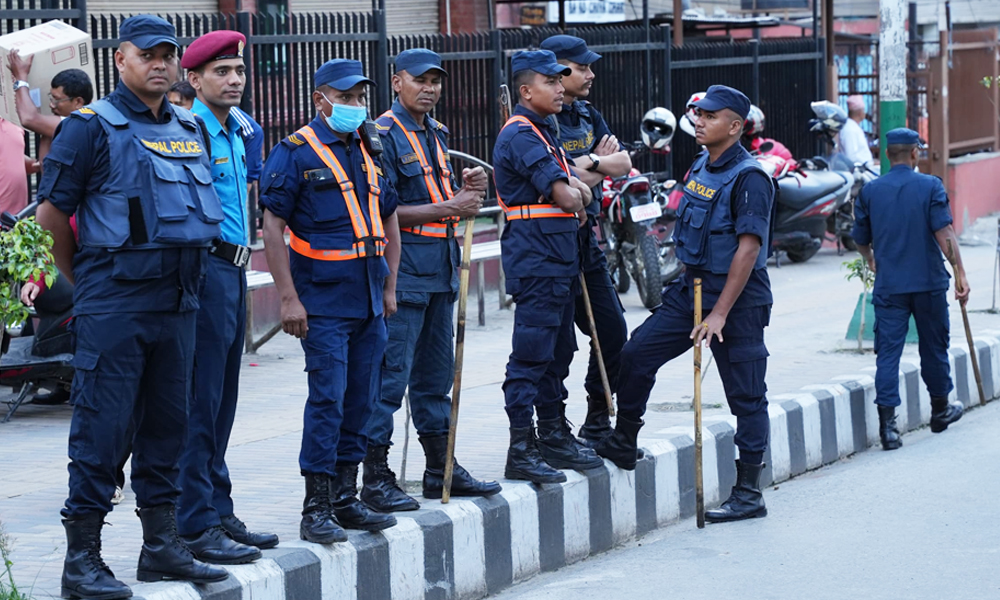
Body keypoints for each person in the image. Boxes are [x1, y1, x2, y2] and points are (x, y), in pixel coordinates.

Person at [36, 14, 230, 599]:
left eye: (168, 54)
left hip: (179, 303)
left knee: (170, 428)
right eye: (148, 54)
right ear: (118, 59)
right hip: (115, 305)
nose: (161, 62)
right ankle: (82, 561)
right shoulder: (88, 127)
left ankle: (161, 547)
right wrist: (91, 283)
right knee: (102, 429)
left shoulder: (187, 126)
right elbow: (51, 218)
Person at [596, 85, 775, 524]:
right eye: (698, 114)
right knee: (637, 353)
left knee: (746, 396)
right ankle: (624, 438)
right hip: (689, 290)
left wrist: (719, 313)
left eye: (711, 117)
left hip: (736, 299)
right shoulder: (701, 163)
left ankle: (749, 492)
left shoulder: (750, 177)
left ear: (734, 126)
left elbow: (748, 250)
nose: (699, 121)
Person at [260, 58, 400, 543]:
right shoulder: (293, 152)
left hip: (367, 300)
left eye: (360, 97)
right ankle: (315, 507)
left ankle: (346, 497)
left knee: (362, 399)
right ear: (320, 99)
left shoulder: (371, 146)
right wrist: (287, 299)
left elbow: (389, 218)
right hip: (320, 302)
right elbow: (272, 227)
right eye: (345, 98)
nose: (355, 106)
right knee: (328, 399)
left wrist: (388, 286)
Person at [362, 48, 500, 512]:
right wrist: (450, 207)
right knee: (389, 377)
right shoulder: (378, 135)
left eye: (436, 81)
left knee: (436, 377)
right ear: (396, 81)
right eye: (420, 80)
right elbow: (381, 211)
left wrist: (469, 188)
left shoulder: (436, 133)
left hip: (441, 267)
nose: (430, 88)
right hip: (403, 274)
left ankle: (440, 466)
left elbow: (449, 199)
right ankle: (375, 476)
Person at [174, 29, 278, 565]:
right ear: (193, 79)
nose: (234, 80)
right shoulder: (186, 129)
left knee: (224, 399)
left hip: (235, 272)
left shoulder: (241, 130)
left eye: (238, 71)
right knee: (201, 399)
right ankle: (193, 523)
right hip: (205, 271)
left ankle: (217, 507)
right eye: (221, 72)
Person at [493, 49, 603, 484]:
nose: (561, 88)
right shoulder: (521, 133)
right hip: (537, 260)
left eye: (562, 80)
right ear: (526, 90)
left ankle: (554, 434)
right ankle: (521, 446)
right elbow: (569, 195)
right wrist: (576, 194)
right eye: (551, 82)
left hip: (558, 259)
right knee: (532, 354)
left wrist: (578, 192)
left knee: (559, 352)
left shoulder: (545, 128)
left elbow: (580, 190)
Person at [539, 34, 633, 447]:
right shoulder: (539, 119)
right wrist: (596, 164)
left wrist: (585, 164)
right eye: (582, 67)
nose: (590, 74)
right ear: (557, 69)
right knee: (557, 348)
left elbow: (623, 163)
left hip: (586, 241)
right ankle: (552, 430)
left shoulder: (588, 114)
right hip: (547, 246)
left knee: (612, 332)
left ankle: (598, 419)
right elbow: (556, 179)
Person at [851, 127, 966, 451]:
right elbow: (944, 233)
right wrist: (960, 274)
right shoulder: (930, 186)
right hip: (929, 283)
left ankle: (888, 430)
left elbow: (860, 239)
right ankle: (940, 410)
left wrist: (870, 258)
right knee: (934, 347)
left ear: (887, 155)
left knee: (888, 354)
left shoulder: (870, 191)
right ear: (915, 153)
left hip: (890, 286)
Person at [7, 51, 93, 163]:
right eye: (51, 98)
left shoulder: (80, 124)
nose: (51, 104)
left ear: (78, 102)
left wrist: (21, 77)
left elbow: (28, 119)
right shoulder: (66, 123)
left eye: (57, 100)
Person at [838, 95, 875, 170]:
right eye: (863, 110)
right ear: (859, 113)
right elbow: (851, 157)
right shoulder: (850, 129)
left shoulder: (854, 127)